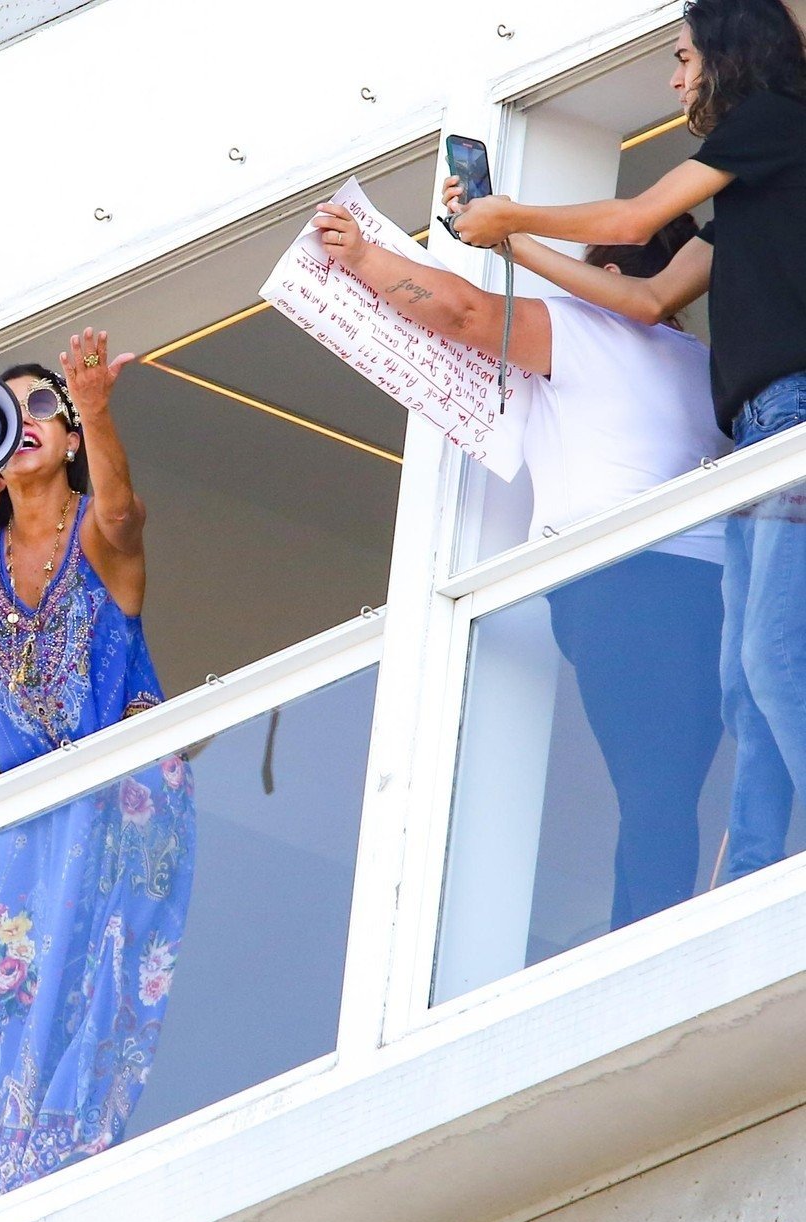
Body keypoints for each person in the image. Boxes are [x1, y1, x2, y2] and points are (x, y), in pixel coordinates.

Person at [444, 0, 806, 883]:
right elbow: (644, 297)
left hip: (794, 417)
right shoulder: (760, 189)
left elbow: (637, 221)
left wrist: (508, 212)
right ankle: (757, 873)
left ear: (728, 53)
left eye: (684, 57)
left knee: (769, 654)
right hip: (765, 430)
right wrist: (512, 238)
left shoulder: (777, 121)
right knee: (744, 683)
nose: (677, 79)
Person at [312, 201, 729, 931]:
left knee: (649, 794)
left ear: (602, 277)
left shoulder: (588, 323)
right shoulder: (708, 365)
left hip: (623, 584)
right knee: (668, 791)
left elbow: (467, 313)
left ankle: (642, 949)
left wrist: (363, 258)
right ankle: (661, 932)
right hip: (713, 586)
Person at [0, 330, 195, 1222]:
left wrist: (94, 408)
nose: (24, 424)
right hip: (9, 822)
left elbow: (128, 517)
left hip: (105, 811)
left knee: (83, 991)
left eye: (42, 410)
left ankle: (56, 1176)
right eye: (6, 410)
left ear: (66, 443)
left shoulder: (100, 534)